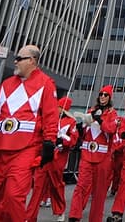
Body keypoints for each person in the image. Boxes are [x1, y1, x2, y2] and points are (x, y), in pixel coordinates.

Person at [0, 44, 59, 222]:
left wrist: (49, 142)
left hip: (26, 150)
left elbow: (51, 115)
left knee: (13, 198)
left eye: (19, 58)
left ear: (32, 61)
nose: (15, 62)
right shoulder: (6, 84)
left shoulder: (45, 83)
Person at [67, 84, 120, 222]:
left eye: (105, 95)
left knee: (99, 192)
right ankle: (74, 216)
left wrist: (100, 120)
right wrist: (80, 127)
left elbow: (111, 129)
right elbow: (84, 131)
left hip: (103, 157)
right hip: (87, 154)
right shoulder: (91, 110)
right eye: (101, 94)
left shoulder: (112, 114)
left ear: (109, 97)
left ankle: (95, 219)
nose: (102, 96)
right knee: (81, 187)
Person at [31, 94, 78, 222]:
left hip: (58, 159)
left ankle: (60, 211)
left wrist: (62, 140)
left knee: (56, 186)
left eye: (58, 106)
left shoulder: (71, 122)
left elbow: (73, 140)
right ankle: (30, 216)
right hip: (45, 157)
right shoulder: (49, 118)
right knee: (37, 187)